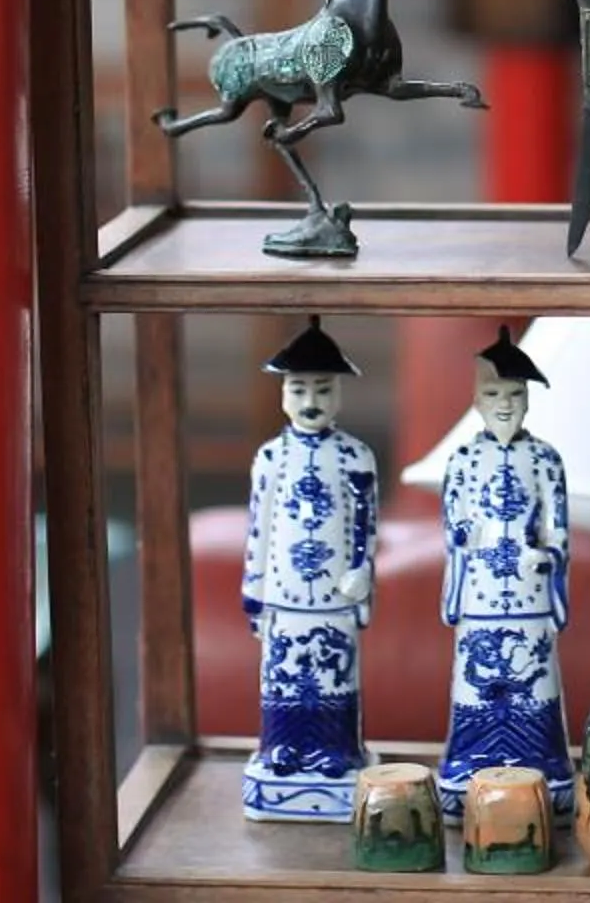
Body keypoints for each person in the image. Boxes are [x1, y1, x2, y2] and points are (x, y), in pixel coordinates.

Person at [239, 318, 380, 818]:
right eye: (298, 389)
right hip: (284, 592)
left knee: (332, 677)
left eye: (322, 388)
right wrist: (253, 592)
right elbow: (257, 526)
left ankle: (335, 752)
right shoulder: (271, 457)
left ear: (339, 392)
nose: (310, 399)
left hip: (333, 594)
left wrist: (364, 573)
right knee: (281, 676)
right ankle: (283, 749)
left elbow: (366, 523)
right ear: (283, 394)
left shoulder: (356, 458)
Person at [437, 326, 575, 817]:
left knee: (535, 680)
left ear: (528, 401)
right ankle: (469, 767)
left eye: (514, 394)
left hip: (529, 595)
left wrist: (547, 555)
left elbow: (559, 529)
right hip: (480, 595)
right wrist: (462, 535)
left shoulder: (546, 460)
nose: (503, 404)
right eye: (493, 393)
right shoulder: (463, 459)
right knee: (474, 684)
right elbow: (452, 523)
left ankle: (542, 766)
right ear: (475, 399)